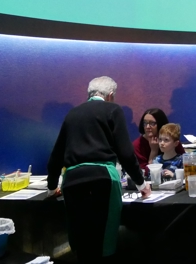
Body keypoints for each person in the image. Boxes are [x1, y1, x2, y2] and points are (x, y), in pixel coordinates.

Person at [47, 76, 151, 264]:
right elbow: (126, 153)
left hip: (72, 180)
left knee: (82, 243)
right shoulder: (113, 110)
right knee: (104, 243)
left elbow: (56, 155)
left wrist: (52, 187)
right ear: (110, 95)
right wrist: (141, 184)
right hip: (103, 179)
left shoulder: (72, 114)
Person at [133, 108, 185, 175]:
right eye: (145, 123)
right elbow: (144, 172)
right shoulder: (137, 145)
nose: (147, 126)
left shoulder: (172, 140)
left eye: (152, 123)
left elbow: (184, 161)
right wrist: (154, 151)